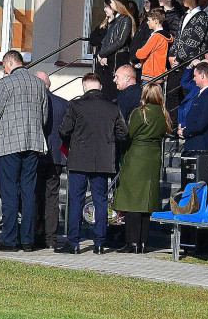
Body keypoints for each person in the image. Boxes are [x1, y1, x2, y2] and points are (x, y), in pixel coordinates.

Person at [0, 50, 48, 252]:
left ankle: (10, 240)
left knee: (10, 192)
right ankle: (28, 241)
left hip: (10, 145)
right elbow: (44, 117)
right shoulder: (39, 83)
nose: (4, 70)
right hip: (33, 143)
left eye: (4, 67)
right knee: (29, 192)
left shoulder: (5, 84)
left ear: (10, 63)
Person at [58, 73, 127, 254]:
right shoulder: (112, 107)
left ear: (84, 86)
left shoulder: (76, 105)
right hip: (103, 160)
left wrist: (73, 142)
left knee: (76, 200)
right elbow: (122, 133)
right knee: (101, 200)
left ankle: (73, 242)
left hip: (80, 159)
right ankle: (99, 243)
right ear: (100, 87)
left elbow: (64, 130)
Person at [112, 82, 171, 254]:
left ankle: (131, 242)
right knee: (145, 202)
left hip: (137, 156)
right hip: (153, 157)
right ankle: (143, 242)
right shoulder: (163, 114)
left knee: (132, 200)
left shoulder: (141, 113)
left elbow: (129, 134)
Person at [34, 71, 69, 250]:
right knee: (52, 197)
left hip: (37, 155)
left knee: (35, 195)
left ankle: (36, 232)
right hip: (56, 155)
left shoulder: (33, 102)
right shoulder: (63, 104)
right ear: (49, 84)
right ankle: (51, 237)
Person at [166, 0, 208, 124]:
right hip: (177, 62)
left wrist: (179, 58)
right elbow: (178, 37)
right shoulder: (185, 15)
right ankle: (173, 125)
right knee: (172, 93)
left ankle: (186, 123)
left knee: (187, 92)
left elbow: (193, 41)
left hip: (190, 62)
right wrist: (172, 55)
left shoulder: (201, 17)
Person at [94, 0, 135, 100]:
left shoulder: (125, 19)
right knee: (105, 88)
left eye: (109, 5)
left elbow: (120, 41)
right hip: (109, 58)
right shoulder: (113, 20)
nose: (105, 9)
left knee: (114, 90)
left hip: (118, 58)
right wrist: (103, 54)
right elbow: (106, 40)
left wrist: (102, 54)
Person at [178, 61, 208, 155]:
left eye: (195, 75)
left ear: (202, 76)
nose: (194, 78)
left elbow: (201, 123)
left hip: (200, 148)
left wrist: (184, 132)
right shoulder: (203, 94)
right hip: (194, 146)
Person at [132, 8, 171, 83]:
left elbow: (142, 54)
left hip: (152, 74)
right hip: (157, 73)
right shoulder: (163, 35)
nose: (147, 22)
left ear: (156, 21)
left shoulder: (157, 36)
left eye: (149, 20)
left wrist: (137, 52)